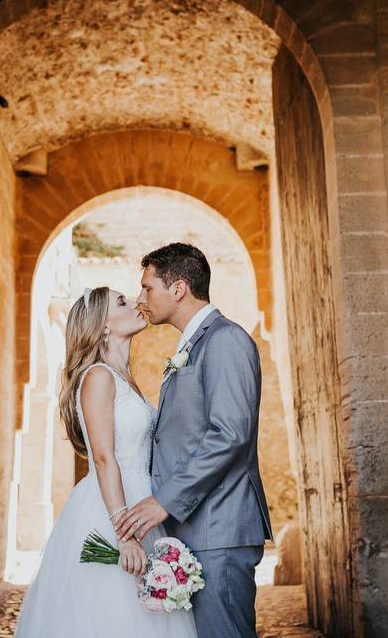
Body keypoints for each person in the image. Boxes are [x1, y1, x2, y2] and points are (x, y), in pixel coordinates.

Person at [14, 286, 197, 638]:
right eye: (122, 302)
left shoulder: (124, 378)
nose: (135, 302)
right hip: (113, 509)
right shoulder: (98, 377)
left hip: (141, 503)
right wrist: (124, 535)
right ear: (103, 327)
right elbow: (102, 457)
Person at [117, 243, 273, 638]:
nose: (140, 299)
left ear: (179, 288)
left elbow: (230, 434)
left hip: (219, 528)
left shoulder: (225, 340)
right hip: (197, 530)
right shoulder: (193, 344)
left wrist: (165, 500)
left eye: (147, 287)